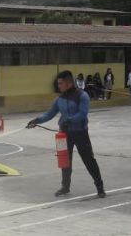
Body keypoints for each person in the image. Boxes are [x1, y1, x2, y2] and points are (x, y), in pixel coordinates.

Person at [27, 70, 106, 198]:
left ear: (68, 83)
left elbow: (82, 114)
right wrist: (37, 120)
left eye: (60, 83)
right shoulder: (59, 99)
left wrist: (69, 120)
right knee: (65, 161)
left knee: (89, 160)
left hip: (80, 133)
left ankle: (100, 187)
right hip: (64, 134)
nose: (58, 86)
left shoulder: (82, 96)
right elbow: (49, 114)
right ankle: (65, 187)